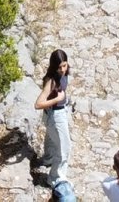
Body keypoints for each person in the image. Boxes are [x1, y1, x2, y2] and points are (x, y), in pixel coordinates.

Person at [37, 50, 72, 178]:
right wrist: (57, 100)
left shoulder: (64, 74)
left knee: (51, 138)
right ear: (54, 66)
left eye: (65, 65)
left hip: (55, 113)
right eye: (59, 67)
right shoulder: (51, 81)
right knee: (64, 148)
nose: (63, 69)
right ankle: (55, 178)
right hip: (55, 115)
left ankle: (48, 160)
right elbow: (38, 104)